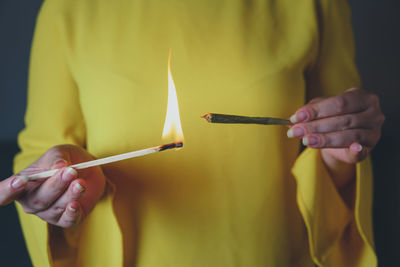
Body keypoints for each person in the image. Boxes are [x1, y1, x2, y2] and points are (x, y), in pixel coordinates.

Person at [0, 0, 384, 266]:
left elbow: (342, 143)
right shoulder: (68, 9)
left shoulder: (314, 5)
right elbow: (39, 150)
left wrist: (340, 149)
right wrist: (59, 185)